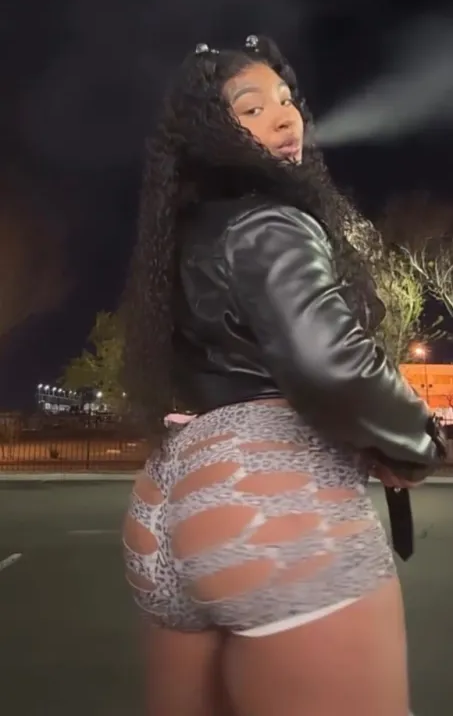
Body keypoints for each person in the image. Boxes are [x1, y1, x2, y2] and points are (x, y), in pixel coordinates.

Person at [121, 35, 447, 716]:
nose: (284, 115)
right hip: (272, 504)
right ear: (211, 132)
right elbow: (330, 365)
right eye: (251, 107)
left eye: (286, 98)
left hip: (168, 505)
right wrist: (414, 441)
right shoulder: (271, 220)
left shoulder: (178, 241)